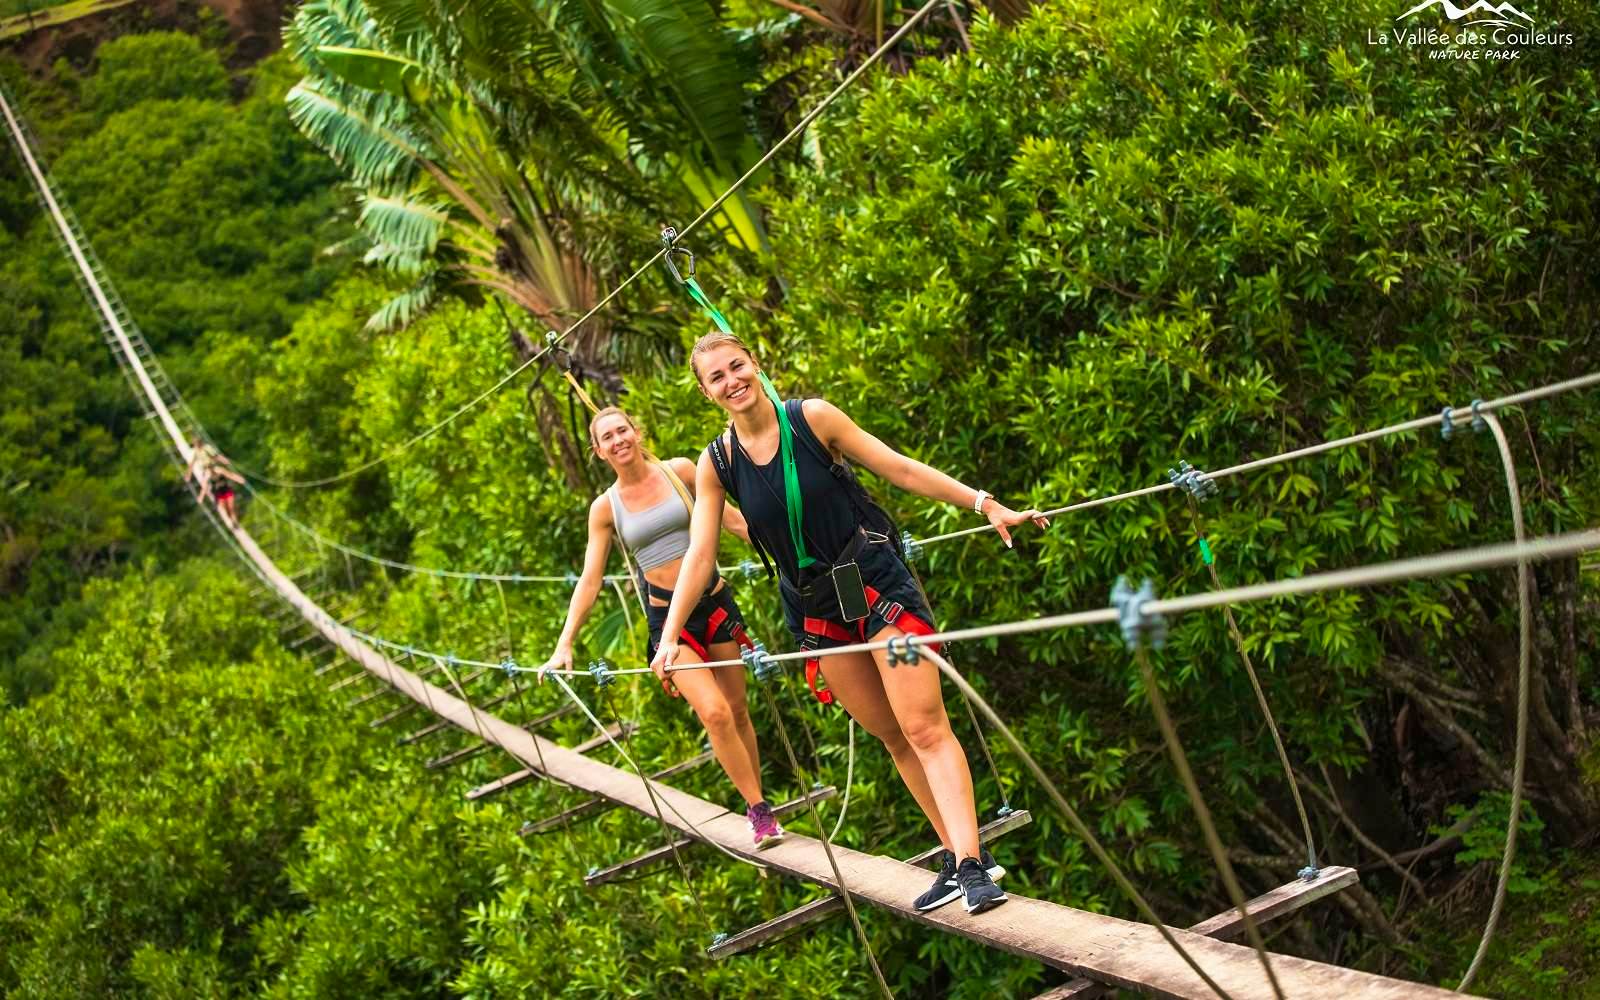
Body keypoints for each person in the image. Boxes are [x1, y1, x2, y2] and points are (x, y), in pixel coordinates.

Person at [652, 333, 1048, 915]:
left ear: (755, 364)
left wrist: (985, 504)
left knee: (924, 726)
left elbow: (899, 469)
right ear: (707, 392)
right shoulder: (717, 464)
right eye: (717, 376)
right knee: (891, 734)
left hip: (876, 586)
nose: (732, 380)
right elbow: (702, 554)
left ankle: (972, 863)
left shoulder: (812, 419)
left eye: (737, 366)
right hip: (817, 612)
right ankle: (951, 853)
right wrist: (668, 636)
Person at [539, 406, 786, 849]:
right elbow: (591, 578)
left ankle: (760, 800)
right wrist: (564, 643)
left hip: (714, 605)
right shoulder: (605, 508)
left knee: (738, 710)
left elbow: (732, 522)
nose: (618, 441)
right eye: (607, 437)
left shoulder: (681, 472)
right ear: (598, 451)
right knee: (714, 713)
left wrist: (794, 550)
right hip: (667, 620)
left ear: (636, 432)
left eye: (622, 431)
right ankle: (758, 811)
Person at [183, 437, 245, 528]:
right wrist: (200, 497)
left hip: (224, 486)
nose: (197, 445)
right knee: (224, 508)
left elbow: (217, 457)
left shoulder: (207, 450)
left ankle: (235, 522)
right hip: (217, 490)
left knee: (231, 507)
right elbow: (192, 466)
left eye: (198, 443)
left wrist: (239, 479)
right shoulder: (197, 455)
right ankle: (231, 521)